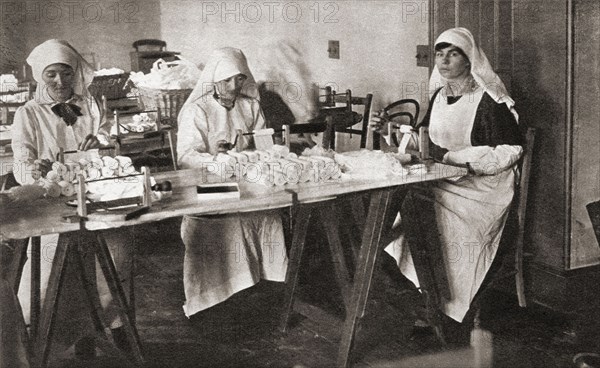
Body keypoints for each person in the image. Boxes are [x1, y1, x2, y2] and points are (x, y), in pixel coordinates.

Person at [370, 27, 523, 326]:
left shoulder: (489, 101)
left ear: (469, 61)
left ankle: (445, 303)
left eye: (453, 54)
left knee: (435, 218)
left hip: (482, 189)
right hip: (443, 180)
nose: (444, 61)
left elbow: (511, 149)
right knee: (412, 209)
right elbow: (426, 142)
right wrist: (387, 130)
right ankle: (427, 295)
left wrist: (461, 160)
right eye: (440, 54)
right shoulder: (440, 95)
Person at [10, 39, 133, 356]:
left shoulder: (89, 106)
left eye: (66, 73)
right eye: (51, 75)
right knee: (55, 272)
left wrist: (102, 143)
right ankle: (43, 339)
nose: (60, 82)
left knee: (115, 256)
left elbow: (110, 147)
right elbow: (23, 167)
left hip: (95, 199)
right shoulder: (29, 114)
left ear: (75, 73)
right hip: (52, 204)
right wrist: (49, 172)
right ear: (40, 75)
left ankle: (116, 327)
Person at [177, 47, 288, 318]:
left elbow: (263, 144)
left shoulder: (250, 106)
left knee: (269, 213)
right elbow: (186, 156)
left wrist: (258, 151)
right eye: (226, 80)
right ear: (214, 79)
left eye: (238, 79)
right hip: (208, 185)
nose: (232, 86)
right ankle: (213, 297)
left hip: (247, 183)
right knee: (227, 221)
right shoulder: (198, 109)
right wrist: (216, 159)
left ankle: (265, 284)